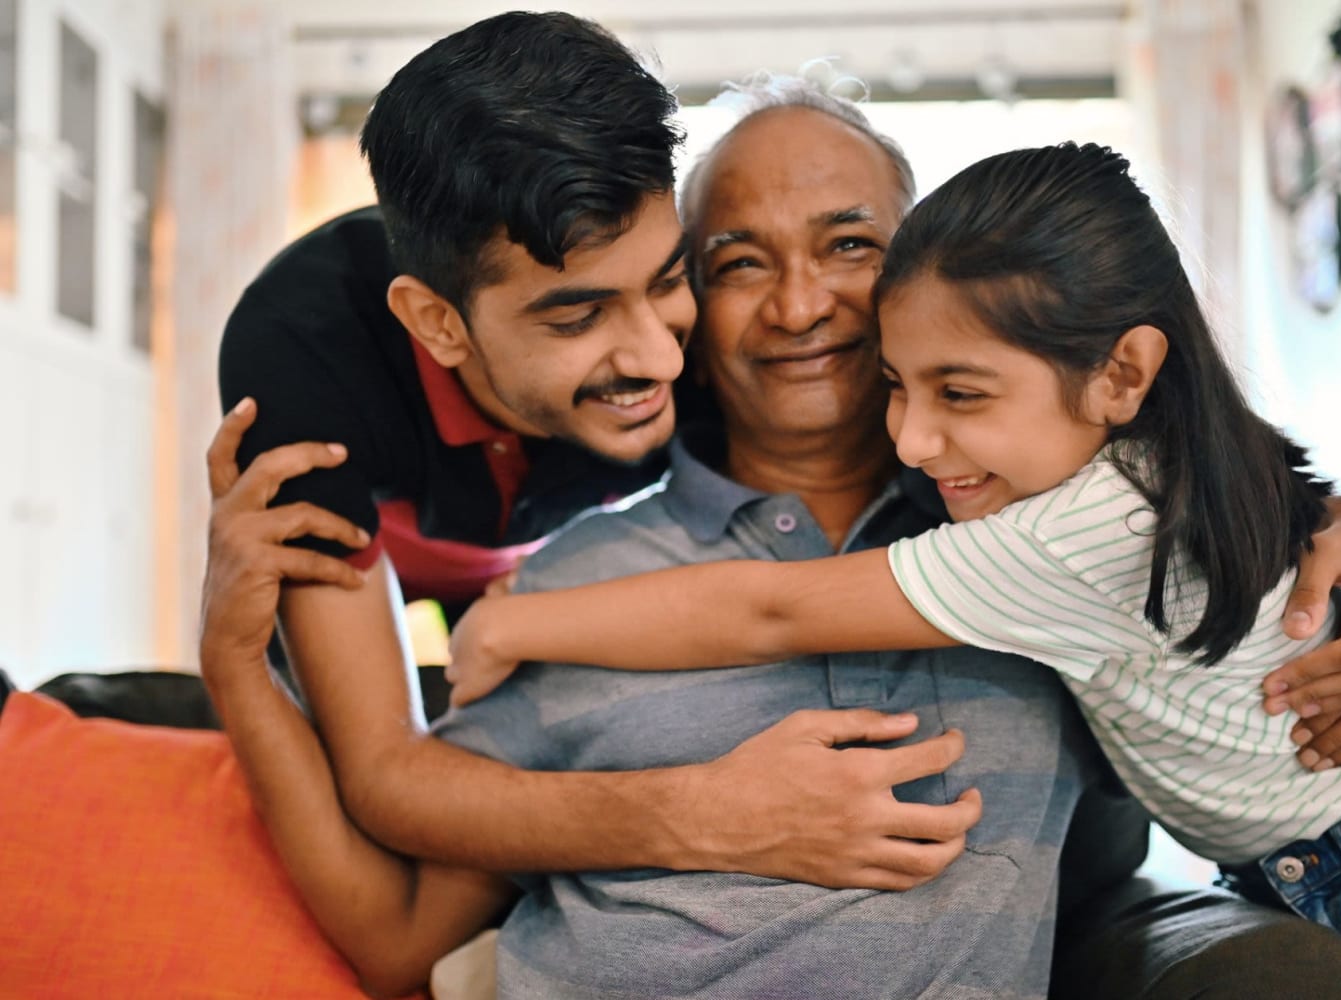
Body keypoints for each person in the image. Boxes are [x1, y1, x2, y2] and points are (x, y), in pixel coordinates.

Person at [208, 75, 1341, 996]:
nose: (801, 305)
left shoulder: (1043, 544)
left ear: (924, 265)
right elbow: (395, 930)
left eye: (851, 246)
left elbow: (1198, 497)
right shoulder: (585, 575)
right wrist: (232, 669)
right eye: (739, 261)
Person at [204, 11, 983, 892]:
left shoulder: (735, 334)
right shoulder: (307, 356)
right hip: (398, 547)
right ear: (436, 324)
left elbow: (783, 590)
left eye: (668, 280)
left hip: (535, 563)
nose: (660, 359)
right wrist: (708, 816)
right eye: (578, 316)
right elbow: (387, 774)